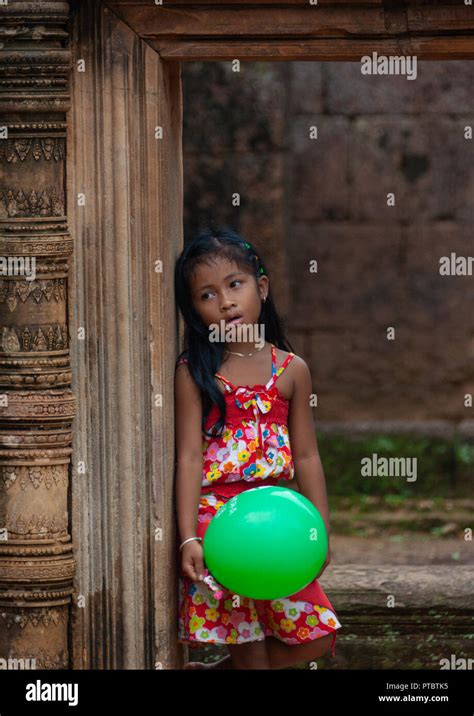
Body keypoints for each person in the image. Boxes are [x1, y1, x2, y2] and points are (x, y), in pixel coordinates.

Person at [174, 228, 342, 670]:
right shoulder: (194, 372)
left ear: (261, 288)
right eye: (207, 295)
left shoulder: (291, 370)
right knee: (248, 651)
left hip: (279, 519)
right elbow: (189, 457)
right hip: (221, 526)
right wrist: (190, 535)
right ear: (195, 310)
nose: (225, 301)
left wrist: (318, 528)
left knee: (316, 640)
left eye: (235, 284)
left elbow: (307, 456)